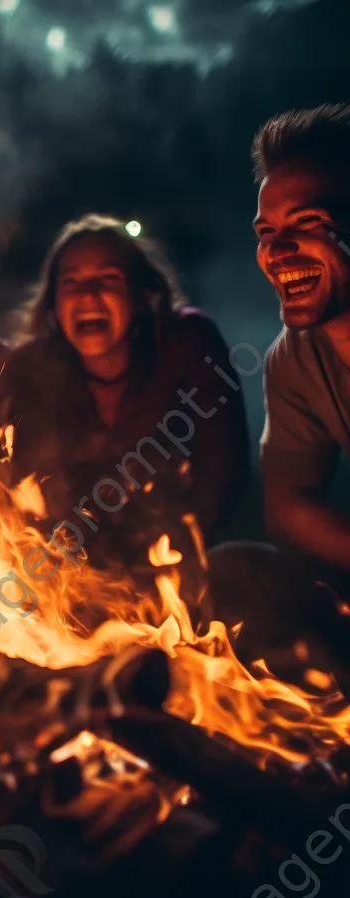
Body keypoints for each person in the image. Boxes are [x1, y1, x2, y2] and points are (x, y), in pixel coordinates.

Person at [0, 215, 250, 587]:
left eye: (108, 279)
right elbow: (21, 492)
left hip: (178, 571)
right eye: (71, 283)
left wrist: (167, 559)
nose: (88, 295)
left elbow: (223, 471)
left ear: (143, 295)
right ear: (53, 307)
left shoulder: (187, 344)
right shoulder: (32, 372)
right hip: (68, 582)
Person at [209, 103, 350, 680]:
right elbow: (289, 507)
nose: (277, 251)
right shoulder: (294, 360)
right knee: (235, 575)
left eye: (309, 224)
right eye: (268, 233)